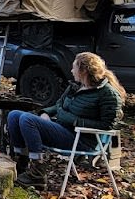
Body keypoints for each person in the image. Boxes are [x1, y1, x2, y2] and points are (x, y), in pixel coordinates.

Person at [7, 52, 125, 188]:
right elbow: (59, 105)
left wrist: (75, 121)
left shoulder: (108, 94)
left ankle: (37, 174)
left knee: (27, 119)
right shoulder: (75, 86)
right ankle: (21, 162)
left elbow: (107, 125)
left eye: (74, 67)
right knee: (14, 115)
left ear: (83, 71)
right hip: (64, 130)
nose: (71, 70)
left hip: (82, 139)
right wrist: (45, 112)